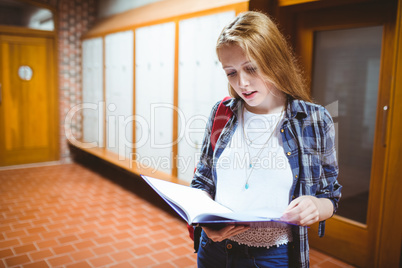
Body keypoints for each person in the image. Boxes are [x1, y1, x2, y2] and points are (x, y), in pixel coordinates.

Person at [190, 11, 342, 268]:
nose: (243, 83)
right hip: (214, 251)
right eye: (231, 72)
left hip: (274, 258)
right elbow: (201, 181)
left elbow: (330, 196)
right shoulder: (222, 112)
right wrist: (204, 222)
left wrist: (316, 205)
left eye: (251, 68)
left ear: (275, 61)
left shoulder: (314, 120)